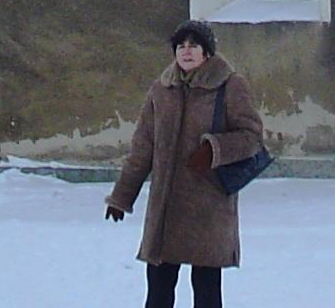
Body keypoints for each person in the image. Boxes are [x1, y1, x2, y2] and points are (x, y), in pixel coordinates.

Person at [104, 20, 264, 308]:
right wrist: (121, 197)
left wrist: (214, 149)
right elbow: (142, 148)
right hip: (166, 207)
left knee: (206, 294)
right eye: (181, 46)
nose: (186, 51)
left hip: (208, 205)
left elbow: (251, 136)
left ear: (207, 52)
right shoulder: (161, 90)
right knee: (158, 294)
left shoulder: (229, 86)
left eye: (194, 45)